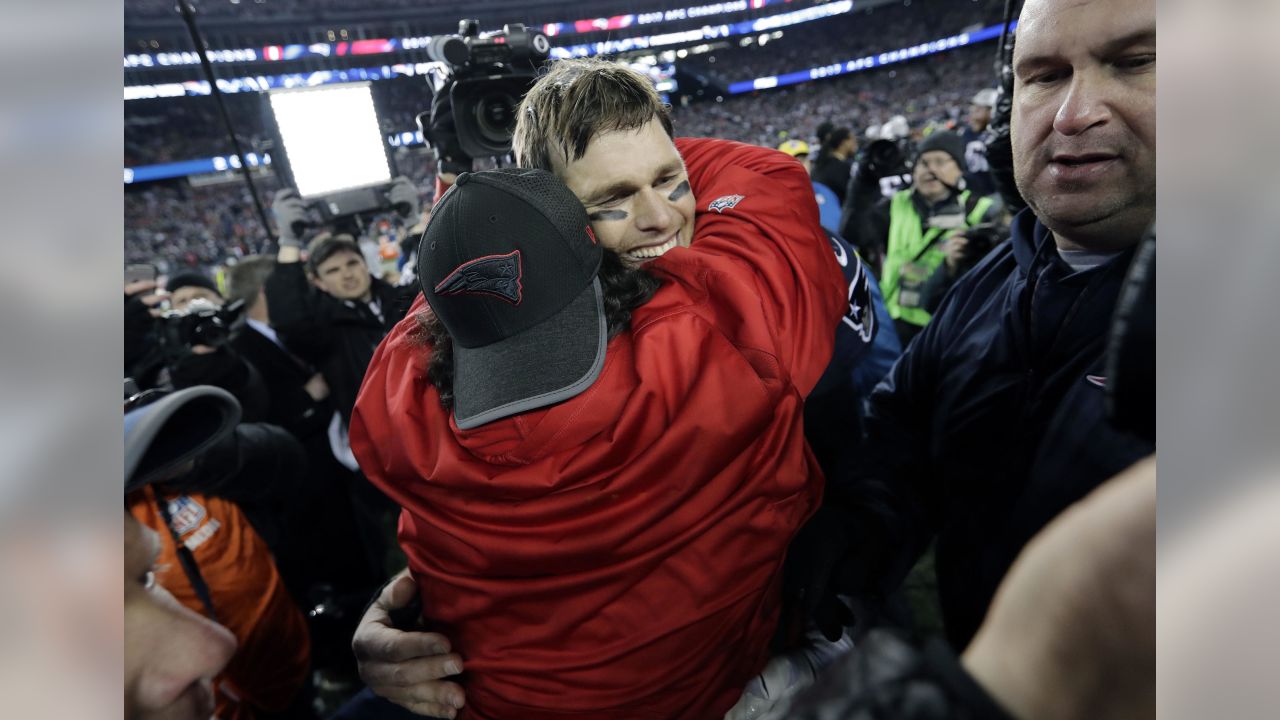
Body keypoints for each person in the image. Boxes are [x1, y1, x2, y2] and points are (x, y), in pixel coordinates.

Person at [349, 57, 846, 719]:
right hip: (717, 691)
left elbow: (464, 280)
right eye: (609, 202)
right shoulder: (729, 333)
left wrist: (529, 174)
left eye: (670, 181)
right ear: (559, 224)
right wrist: (619, 128)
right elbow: (767, 172)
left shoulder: (398, 397)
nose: (659, 218)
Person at [828, 0, 1157, 651]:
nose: (1072, 113)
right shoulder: (999, 270)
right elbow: (899, 446)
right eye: (1043, 74)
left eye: (1136, 63)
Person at [124, 385, 309, 720]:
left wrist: (185, 461)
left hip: (283, 657)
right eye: (141, 579)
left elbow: (286, 459)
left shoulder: (183, 461)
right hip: (202, 702)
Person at [860, 130, 1002, 344]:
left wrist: (952, 268)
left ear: (959, 169)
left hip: (949, 330)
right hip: (894, 323)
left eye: (940, 162)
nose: (931, 170)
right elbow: (852, 227)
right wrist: (865, 176)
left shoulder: (982, 212)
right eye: (923, 163)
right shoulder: (897, 204)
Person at [960, 88, 999, 197]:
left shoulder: (1002, 133)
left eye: (978, 109)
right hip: (976, 194)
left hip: (999, 193)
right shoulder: (968, 133)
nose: (972, 114)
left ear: (992, 110)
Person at [810, 126, 857, 207]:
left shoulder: (822, 163)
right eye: (852, 139)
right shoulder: (842, 167)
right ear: (843, 143)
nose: (855, 142)